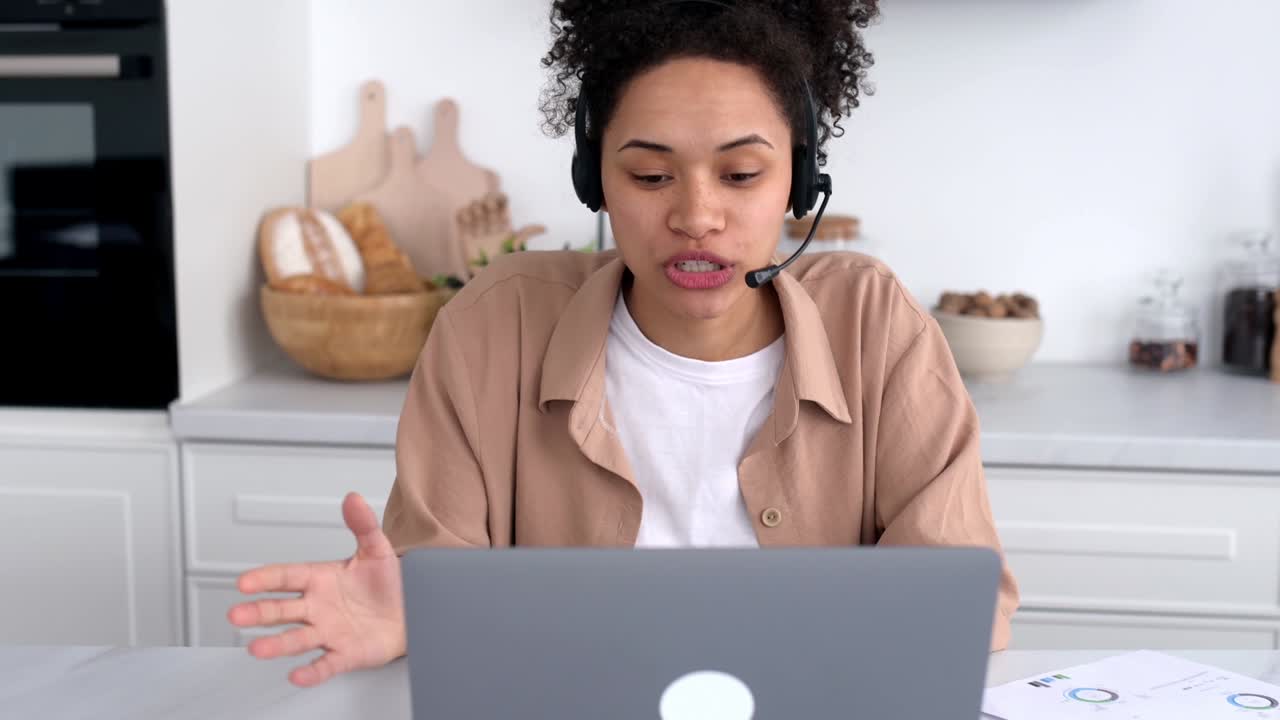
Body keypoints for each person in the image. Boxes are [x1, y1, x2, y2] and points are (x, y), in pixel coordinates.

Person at [228, 0, 1020, 688]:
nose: (697, 215)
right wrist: (408, 616)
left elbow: (964, 603)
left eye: (741, 175)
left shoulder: (874, 321)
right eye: (650, 178)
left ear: (801, 181)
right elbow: (438, 586)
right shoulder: (493, 324)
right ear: (594, 179)